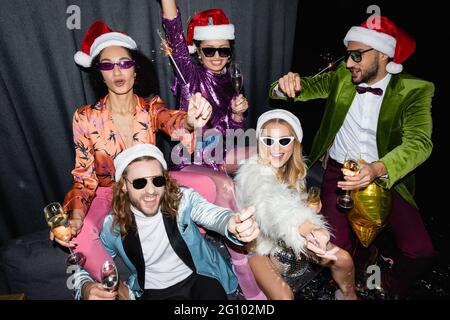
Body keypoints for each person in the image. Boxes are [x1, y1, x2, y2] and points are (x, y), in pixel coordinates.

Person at [270, 16, 435, 299]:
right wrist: (282, 85)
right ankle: (348, 277)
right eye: (348, 55)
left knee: (420, 250)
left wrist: (378, 168)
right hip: (338, 172)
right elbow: (299, 89)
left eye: (357, 55)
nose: (348, 63)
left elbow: (420, 142)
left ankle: (389, 285)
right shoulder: (342, 78)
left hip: (386, 177)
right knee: (334, 246)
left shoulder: (415, 89)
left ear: (383, 54)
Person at [53, 20, 213, 281]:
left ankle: (185, 245)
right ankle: (118, 286)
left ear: (135, 70)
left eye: (125, 63)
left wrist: (190, 121)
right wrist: (77, 216)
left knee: (206, 186)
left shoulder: (151, 107)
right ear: (100, 73)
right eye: (107, 64)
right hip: (108, 192)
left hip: (148, 184)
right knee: (78, 235)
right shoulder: (84, 117)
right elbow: (84, 179)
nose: (117, 71)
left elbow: (171, 120)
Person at [160, 0, 264, 300]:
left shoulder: (231, 81)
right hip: (190, 160)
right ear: (198, 51)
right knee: (226, 187)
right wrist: (168, 3)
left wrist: (238, 115)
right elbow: (175, 38)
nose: (217, 57)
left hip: (218, 156)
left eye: (223, 50)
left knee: (264, 150)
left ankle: (270, 230)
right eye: (209, 50)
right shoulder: (189, 75)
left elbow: (232, 135)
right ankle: (241, 263)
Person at [74, 144, 260, 300]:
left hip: (200, 278)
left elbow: (212, 215)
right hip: (153, 292)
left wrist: (231, 225)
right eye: (139, 183)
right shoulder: (112, 226)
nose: (151, 191)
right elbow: (83, 263)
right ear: (123, 186)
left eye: (157, 181)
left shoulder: (182, 200)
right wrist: (85, 287)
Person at [234, 109, 357, 300]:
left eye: (284, 141)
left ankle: (347, 295)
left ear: (294, 144)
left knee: (343, 260)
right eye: (268, 141)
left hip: (290, 239)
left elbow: (291, 201)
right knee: (284, 297)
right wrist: (308, 227)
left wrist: (307, 209)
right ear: (259, 142)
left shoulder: (295, 171)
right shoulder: (254, 173)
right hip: (259, 247)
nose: (276, 148)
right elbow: (273, 205)